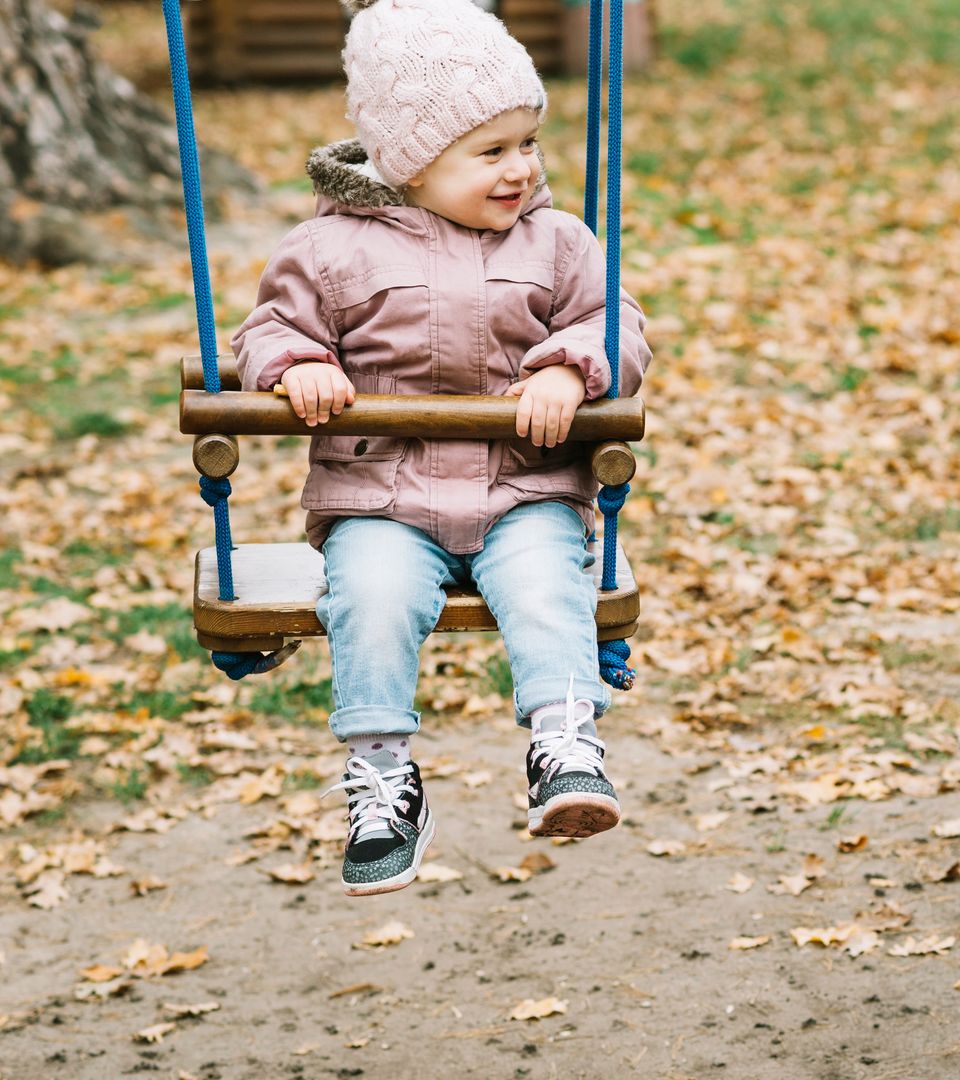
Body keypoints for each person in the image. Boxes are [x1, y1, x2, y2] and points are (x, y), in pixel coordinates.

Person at [232, 0, 650, 897]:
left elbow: (618, 326)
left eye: (527, 143)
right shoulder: (329, 251)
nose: (520, 169)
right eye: (490, 151)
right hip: (382, 495)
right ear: (410, 165)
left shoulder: (559, 239)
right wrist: (298, 365)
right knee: (371, 600)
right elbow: (265, 331)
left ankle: (565, 745)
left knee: (547, 587)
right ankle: (384, 780)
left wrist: (571, 371)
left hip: (524, 490)